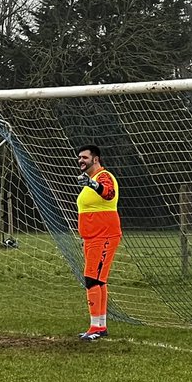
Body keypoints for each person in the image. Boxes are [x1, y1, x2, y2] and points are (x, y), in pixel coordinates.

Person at [75, 144, 121, 340]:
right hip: (92, 238)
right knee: (98, 280)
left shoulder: (103, 176)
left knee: (92, 279)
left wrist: (92, 185)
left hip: (104, 236)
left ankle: (96, 327)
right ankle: (100, 326)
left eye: (84, 157)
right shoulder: (91, 180)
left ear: (95, 159)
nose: (80, 161)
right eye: (79, 158)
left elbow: (108, 193)